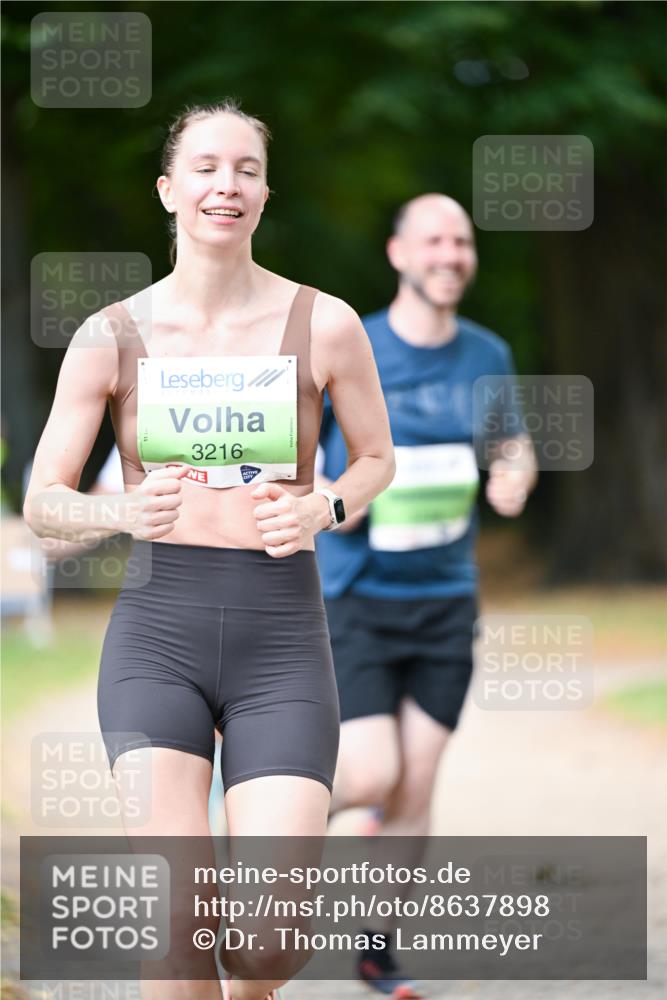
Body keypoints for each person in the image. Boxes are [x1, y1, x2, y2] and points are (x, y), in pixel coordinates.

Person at [23, 100, 394, 1000]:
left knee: (265, 947)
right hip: (157, 635)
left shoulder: (325, 323)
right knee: (178, 930)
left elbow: (378, 458)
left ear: (265, 194)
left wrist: (325, 506)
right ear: (168, 189)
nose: (225, 185)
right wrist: (119, 513)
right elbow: (41, 504)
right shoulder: (113, 334)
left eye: (246, 170)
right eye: (204, 167)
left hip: (282, 641)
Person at [317, 193, 537, 997]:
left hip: (447, 599)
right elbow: (298, 458)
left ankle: (375, 951)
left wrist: (515, 473)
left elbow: (508, 441)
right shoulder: (354, 344)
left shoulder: (487, 353)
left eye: (462, 241)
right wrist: (332, 499)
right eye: (434, 240)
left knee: (414, 786)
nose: (450, 253)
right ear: (398, 253)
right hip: (356, 593)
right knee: (370, 774)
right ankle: (256, 804)